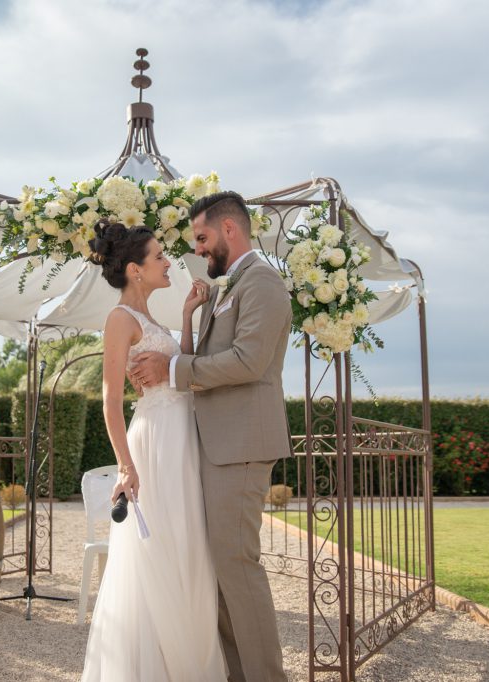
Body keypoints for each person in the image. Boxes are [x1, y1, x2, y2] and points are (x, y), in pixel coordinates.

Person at [129, 191, 292, 682]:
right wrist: (190, 318)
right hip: (213, 446)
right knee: (216, 572)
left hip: (241, 448)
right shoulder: (225, 289)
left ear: (229, 230)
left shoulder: (262, 283)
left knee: (237, 568)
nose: (197, 250)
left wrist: (172, 367)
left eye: (201, 238)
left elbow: (247, 362)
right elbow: (211, 359)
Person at [80, 220, 225, 681]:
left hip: (183, 435)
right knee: (159, 547)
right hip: (156, 439)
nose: (168, 263)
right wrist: (126, 465)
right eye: (159, 256)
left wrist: (185, 317)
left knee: (187, 543)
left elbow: (178, 367)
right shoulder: (120, 319)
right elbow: (110, 399)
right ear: (134, 270)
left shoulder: (154, 320)